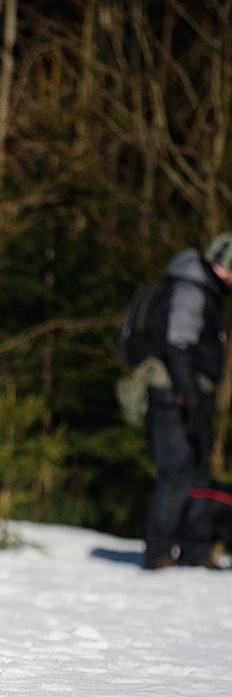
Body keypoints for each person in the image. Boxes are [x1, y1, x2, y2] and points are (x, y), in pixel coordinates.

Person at [142, 231, 232, 570]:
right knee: (176, 473)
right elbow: (177, 346)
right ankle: (159, 552)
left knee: (198, 473)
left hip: (193, 394)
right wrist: (190, 398)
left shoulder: (205, 289)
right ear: (223, 266)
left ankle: (197, 550)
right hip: (173, 395)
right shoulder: (190, 289)